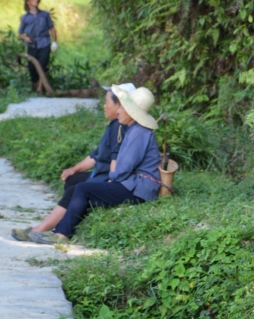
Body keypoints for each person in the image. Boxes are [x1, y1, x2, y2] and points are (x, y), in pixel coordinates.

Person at [29, 85, 160, 245]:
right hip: (133, 184)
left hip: (139, 189)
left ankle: (62, 236)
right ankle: (59, 231)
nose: (118, 111)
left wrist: (111, 180)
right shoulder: (134, 129)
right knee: (83, 189)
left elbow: (124, 167)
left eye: (122, 108)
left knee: (83, 189)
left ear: (131, 112)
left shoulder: (139, 132)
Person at [11, 85, 135, 241]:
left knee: (75, 190)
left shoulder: (119, 127)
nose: (104, 106)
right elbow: (96, 156)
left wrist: (111, 183)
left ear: (119, 105)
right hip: (101, 173)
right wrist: (74, 169)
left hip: (108, 176)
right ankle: (65, 220)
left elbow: (115, 160)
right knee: (72, 180)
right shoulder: (113, 125)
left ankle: (41, 230)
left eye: (106, 102)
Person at [18, 0, 57, 92]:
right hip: (32, 45)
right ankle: (36, 85)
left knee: (43, 65)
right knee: (32, 68)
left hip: (45, 42)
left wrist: (54, 42)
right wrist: (27, 39)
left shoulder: (45, 15)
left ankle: (40, 88)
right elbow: (20, 33)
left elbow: (52, 28)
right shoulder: (25, 18)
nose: (35, 0)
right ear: (28, 2)